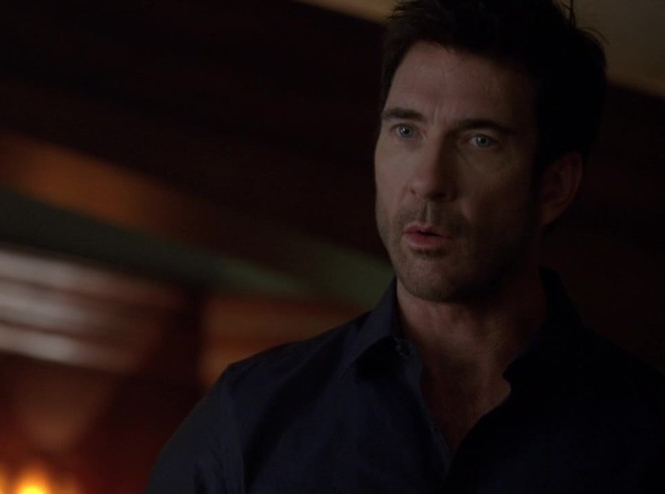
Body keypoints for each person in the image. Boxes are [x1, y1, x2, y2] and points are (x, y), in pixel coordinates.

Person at [146, 0, 665, 492]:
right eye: (405, 130)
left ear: (554, 186)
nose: (427, 181)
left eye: (480, 141)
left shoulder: (647, 437)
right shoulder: (248, 418)